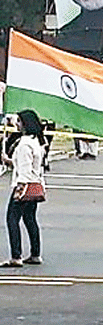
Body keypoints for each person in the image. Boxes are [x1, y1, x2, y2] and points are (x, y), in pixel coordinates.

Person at [1, 110, 46, 268]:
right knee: (30, 219)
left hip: (23, 185)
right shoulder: (36, 142)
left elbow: (25, 169)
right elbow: (23, 164)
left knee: (12, 219)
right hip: (34, 185)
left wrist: (20, 188)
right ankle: (35, 253)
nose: (17, 125)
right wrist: (8, 160)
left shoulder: (25, 144)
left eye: (19, 121)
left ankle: (16, 255)